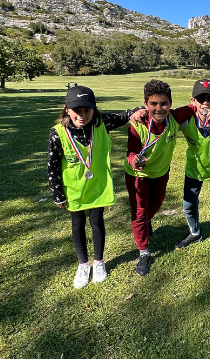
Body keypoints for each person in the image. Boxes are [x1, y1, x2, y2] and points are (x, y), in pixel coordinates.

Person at [47, 84, 144, 288]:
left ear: (94, 110)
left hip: (98, 187)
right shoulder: (58, 133)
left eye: (87, 110)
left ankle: (99, 262)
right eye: (77, 111)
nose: (82, 115)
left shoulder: (101, 123)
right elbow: (52, 165)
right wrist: (57, 193)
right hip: (74, 190)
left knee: (97, 222)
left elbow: (124, 115)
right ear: (67, 109)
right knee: (78, 225)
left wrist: (140, 109)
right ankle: (83, 264)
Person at [124, 79, 198, 276]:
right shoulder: (138, 124)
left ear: (170, 103)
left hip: (161, 173)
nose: (159, 108)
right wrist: (135, 161)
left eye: (163, 103)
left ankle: (145, 222)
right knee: (139, 213)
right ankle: (144, 252)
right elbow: (131, 152)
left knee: (156, 204)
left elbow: (196, 105)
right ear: (146, 105)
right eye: (153, 104)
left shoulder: (175, 117)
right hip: (138, 175)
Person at [174, 79, 210, 269]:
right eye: (200, 99)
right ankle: (195, 232)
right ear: (193, 101)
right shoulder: (186, 119)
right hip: (195, 169)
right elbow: (165, 116)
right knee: (188, 205)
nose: (205, 103)